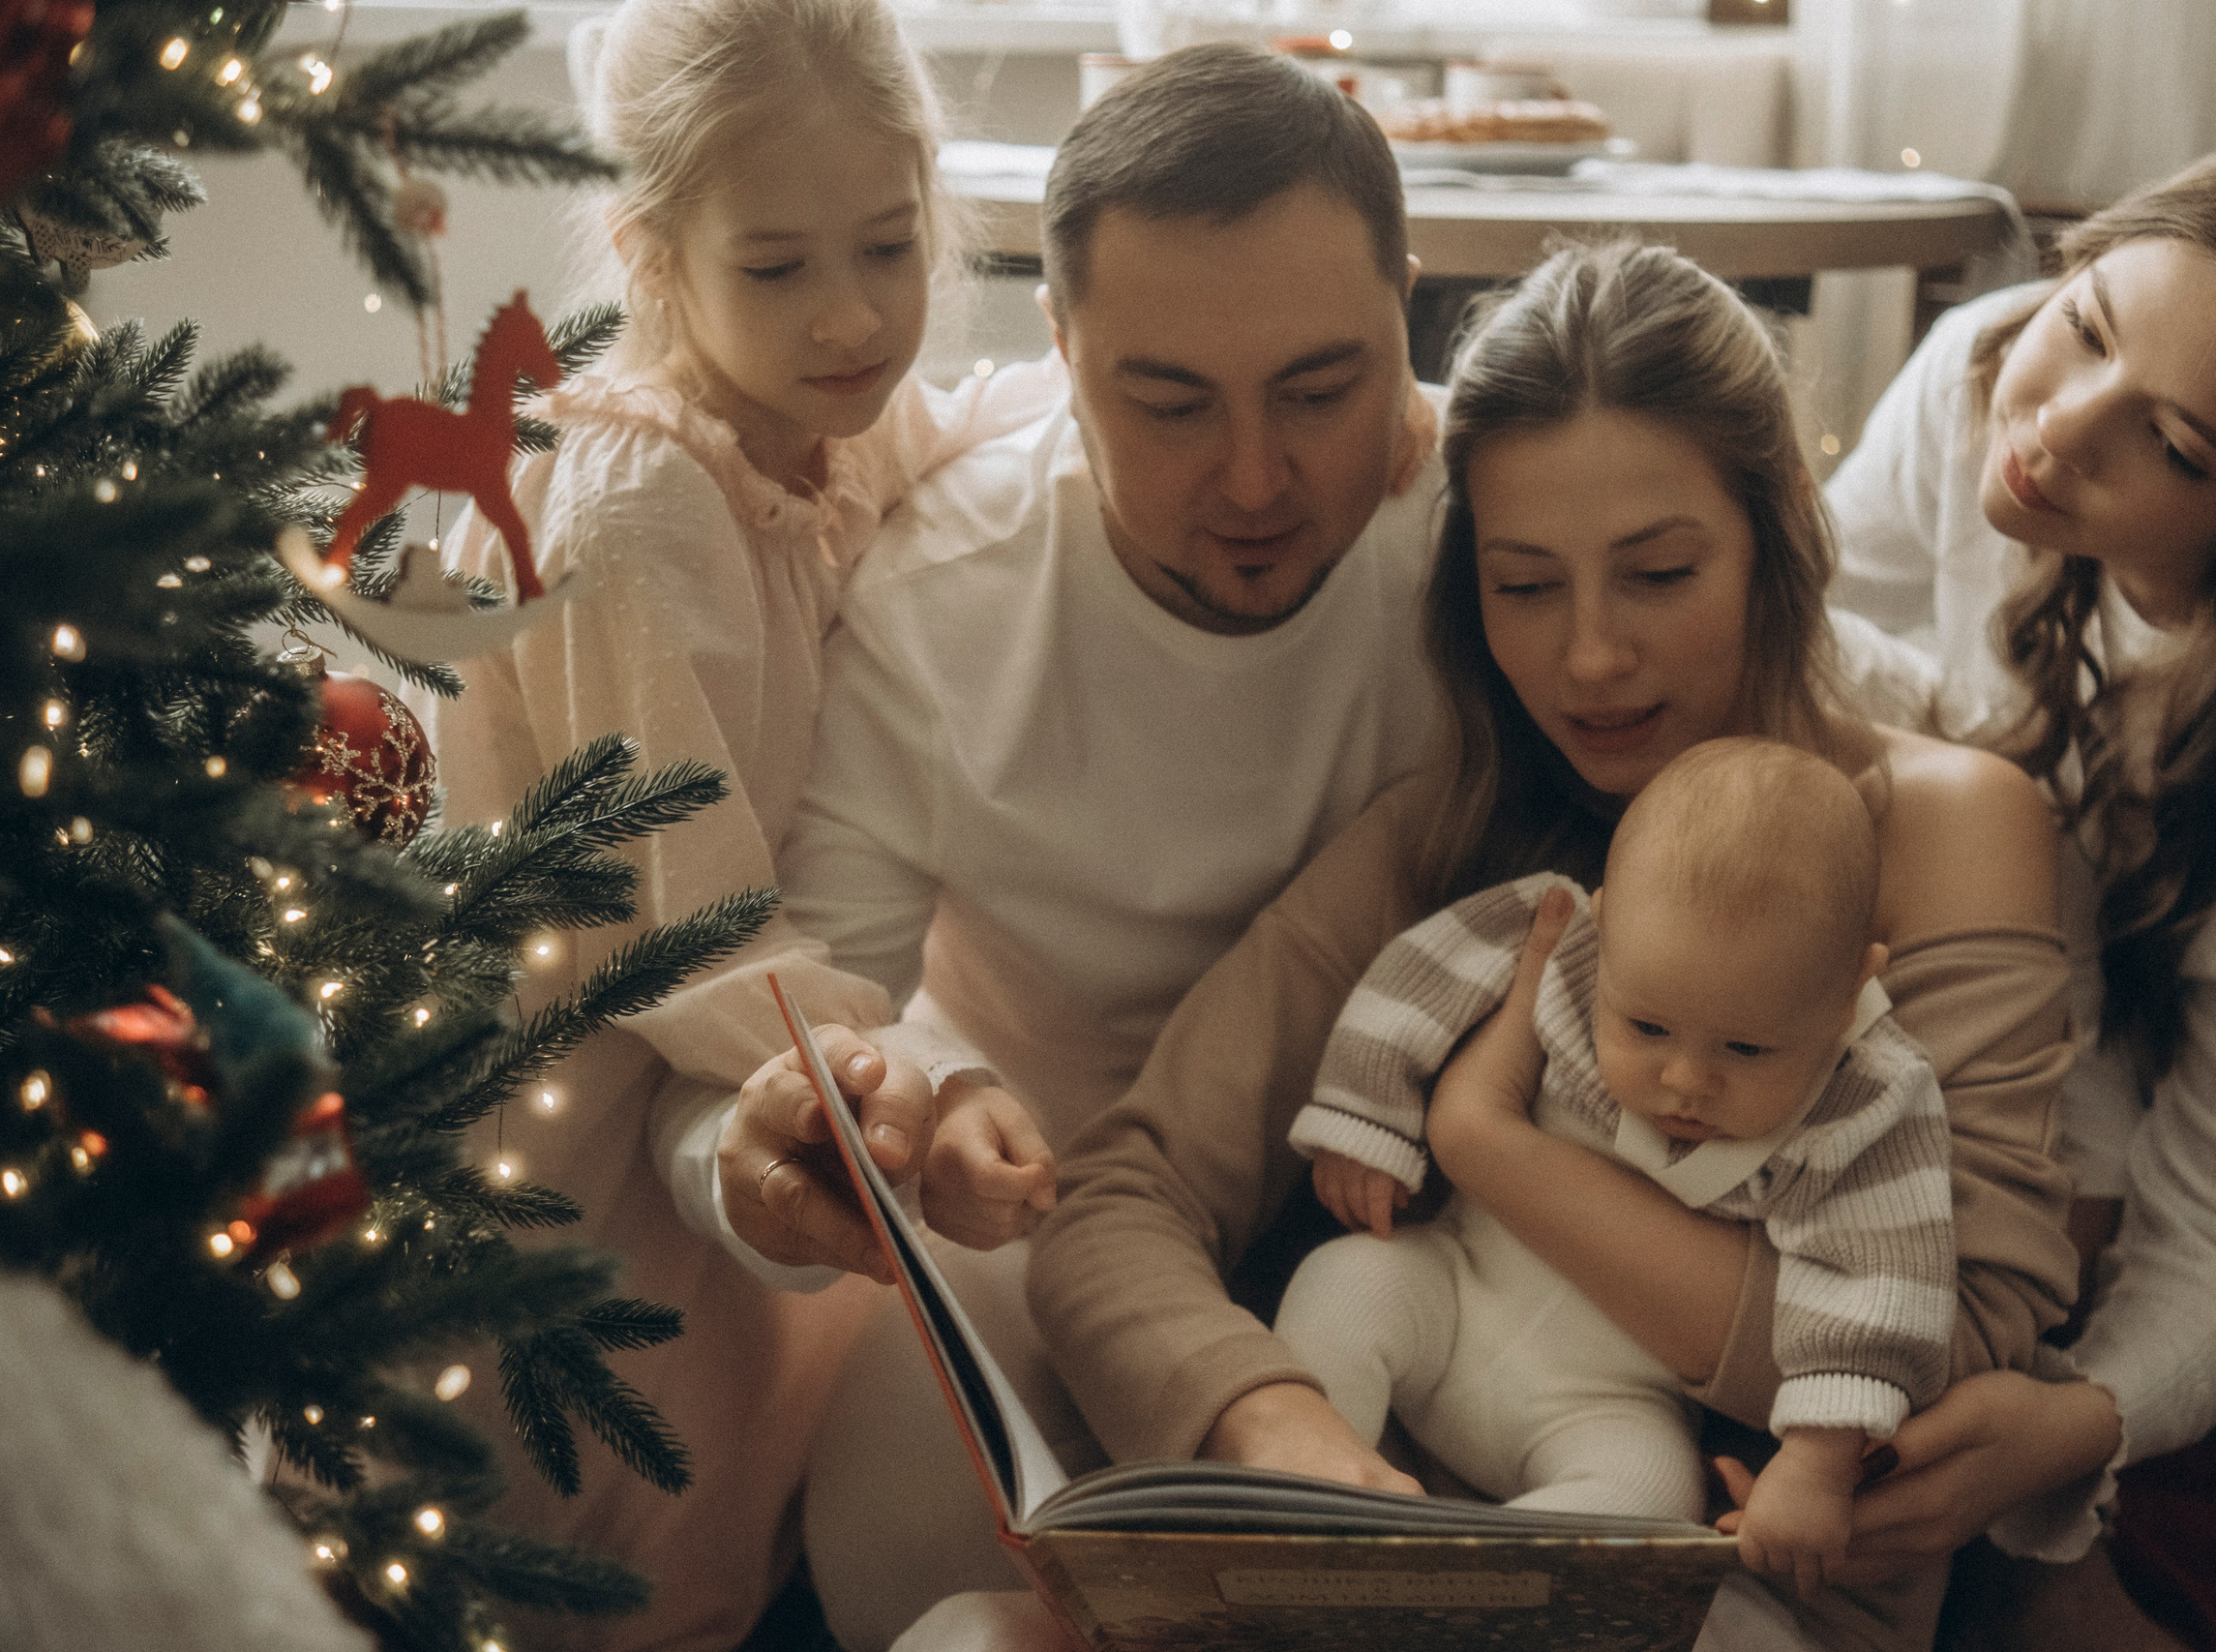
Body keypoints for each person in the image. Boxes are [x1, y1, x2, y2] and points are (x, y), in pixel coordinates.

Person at [1030, 239, 2081, 1652]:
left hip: (1727, 1588)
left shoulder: (1943, 827)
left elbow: (1961, 1345)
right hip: (1365, 1557)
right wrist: (1273, 1422)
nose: (1589, 658)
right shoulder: (1450, 835)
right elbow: (1120, 1195)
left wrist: (1488, 1142)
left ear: (1775, 545)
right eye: (1526, 586)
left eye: (1656, 573)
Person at [666, 44, 1447, 1651]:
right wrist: (833, 1136)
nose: (1254, 481)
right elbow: (800, 1029)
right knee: (901, 1537)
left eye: (1321, 389)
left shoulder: (1493, 540)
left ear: (1411, 325)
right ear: (1063, 354)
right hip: (1039, 1214)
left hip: (1415, 1211)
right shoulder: (944, 593)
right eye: (1166, 403)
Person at [421, 0, 1066, 1644]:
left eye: (889, 245)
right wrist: (932, 1069)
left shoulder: (816, 420)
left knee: (744, 1461)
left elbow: (991, 418)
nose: (854, 316)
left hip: (723, 1028)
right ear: (654, 255)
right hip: (576, 1062)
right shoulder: (645, 499)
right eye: (777, 269)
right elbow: (679, 929)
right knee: (597, 1495)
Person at [1819, 128, 2216, 1637]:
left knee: (2077, 1190)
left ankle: (2060, 1568)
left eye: (2176, 448)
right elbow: (1821, 641)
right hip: (2051, 890)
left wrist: (2081, 1424)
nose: (2058, 427)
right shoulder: (1986, 365)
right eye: (2090, 323)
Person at [1278, 738, 1953, 1602]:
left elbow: (1886, 1276)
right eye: (1647, 1028)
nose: (1685, 1082)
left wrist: (1820, 1459)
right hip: (1452, 1288)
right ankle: (1313, 1509)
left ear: (1850, 988)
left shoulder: (1868, 1101)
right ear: (1603, 925)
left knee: (1650, 1497)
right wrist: (1363, 1116)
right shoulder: (1565, 943)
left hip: (1609, 1400)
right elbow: (1421, 977)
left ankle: (1464, 1589)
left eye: (1745, 1048)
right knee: (1345, 1281)